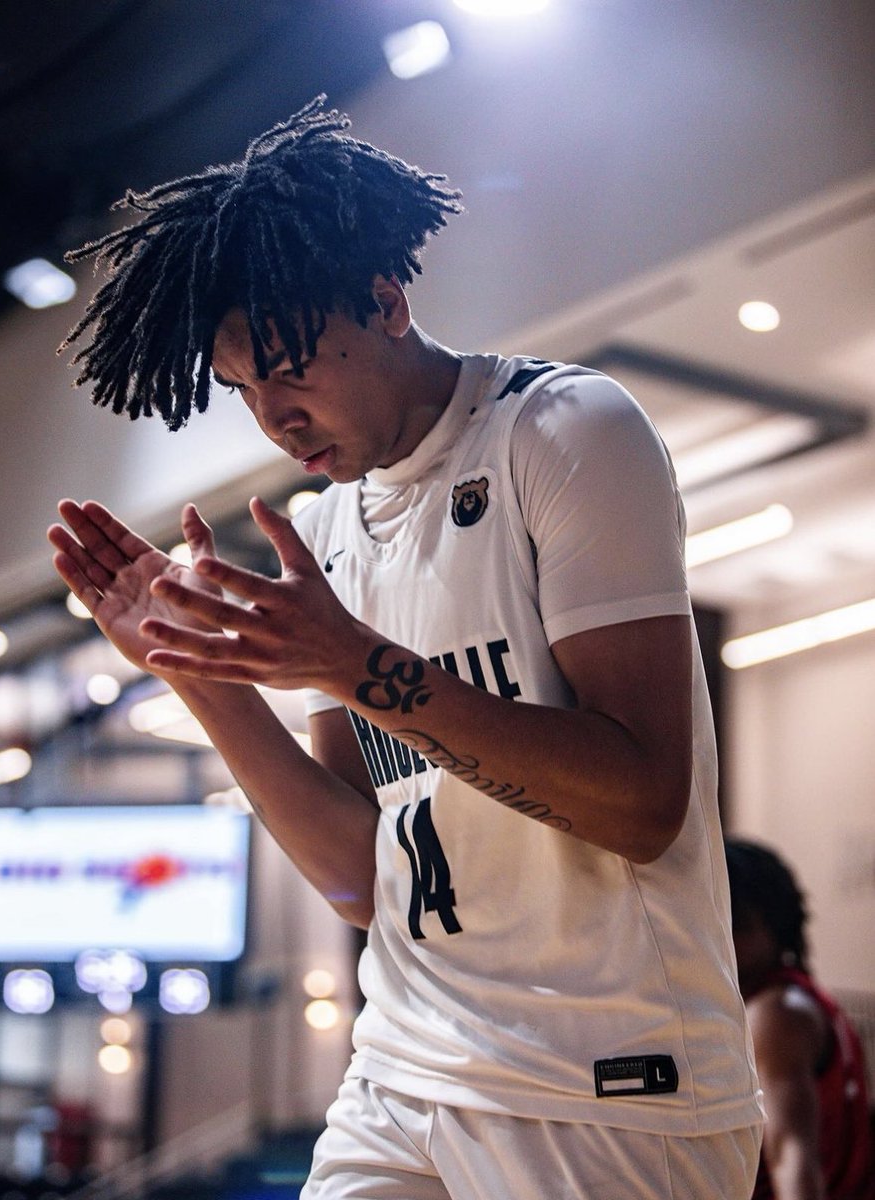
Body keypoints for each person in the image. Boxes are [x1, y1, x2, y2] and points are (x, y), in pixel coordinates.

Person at [48, 97, 763, 1198]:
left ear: (388, 301)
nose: (273, 419)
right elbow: (357, 879)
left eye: (290, 369)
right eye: (242, 390)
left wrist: (358, 667)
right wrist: (203, 681)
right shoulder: (325, 531)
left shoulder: (564, 432)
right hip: (402, 1069)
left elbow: (645, 802)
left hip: (606, 1085)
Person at [725, 837, 875, 1199]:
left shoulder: (774, 1014)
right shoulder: (796, 997)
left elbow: (790, 1156)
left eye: (737, 923)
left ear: (775, 928)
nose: (723, 935)